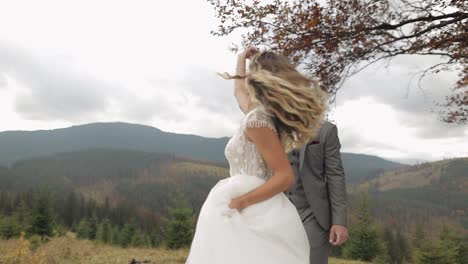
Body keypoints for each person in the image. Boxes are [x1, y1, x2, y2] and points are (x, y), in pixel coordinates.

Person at [185, 47, 327, 264]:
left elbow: (285, 176)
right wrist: (241, 59)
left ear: (259, 79)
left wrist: (241, 202)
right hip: (256, 205)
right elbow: (238, 92)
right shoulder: (258, 113)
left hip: (255, 211)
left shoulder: (257, 120)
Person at [287, 121, 349, 264]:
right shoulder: (272, 124)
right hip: (278, 210)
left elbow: (335, 174)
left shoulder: (327, 130)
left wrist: (339, 222)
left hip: (313, 214)